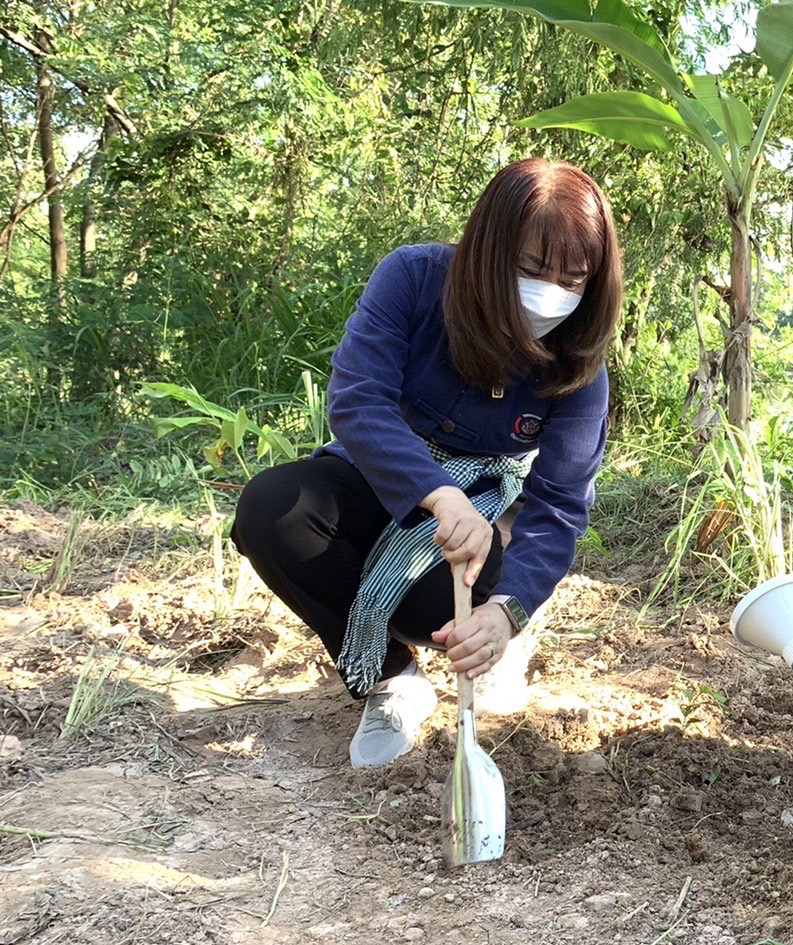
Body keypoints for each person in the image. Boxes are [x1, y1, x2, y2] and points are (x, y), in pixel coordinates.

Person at [232, 158, 621, 769]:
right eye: (529, 269)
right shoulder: (413, 279)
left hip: (486, 508)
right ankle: (393, 679)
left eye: (572, 279)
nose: (551, 293)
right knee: (274, 512)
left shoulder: (579, 371)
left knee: (449, 600)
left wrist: (505, 612)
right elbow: (359, 399)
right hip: (381, 475)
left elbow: (560, 507)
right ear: (488, 249)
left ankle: (498, 644)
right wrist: (437, 493)